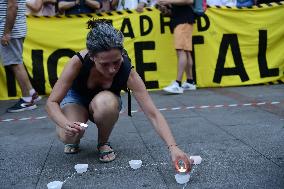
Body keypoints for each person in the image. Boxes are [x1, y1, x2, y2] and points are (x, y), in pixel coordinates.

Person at [45, 18, 192, 172]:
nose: (111, 69)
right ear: (92, 56)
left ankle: (103, 142)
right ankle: (73, 139)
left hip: (104, 102)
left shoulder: (128, 71)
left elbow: (153, 113)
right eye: (104, 64)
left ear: (122, 53)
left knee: (106, 103)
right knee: (68, 135)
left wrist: (173, 147)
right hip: (77, 100)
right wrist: (64, 122)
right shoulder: (77, 62)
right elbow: (51, 102)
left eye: (116, 61)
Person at [0, 0, 41, 113]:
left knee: (15, 64)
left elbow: (13, 6)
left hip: (11, 31)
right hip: (13, 30)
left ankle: (27, 100)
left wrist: (7, 33)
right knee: (17, 62)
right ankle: (32, 93)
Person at [158, 0, 197, 94]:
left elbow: (189, 1)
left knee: (181, 50)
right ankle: (190, 81)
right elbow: (172, 12)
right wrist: (164, 9)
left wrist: (167, 1)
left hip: (183, 21)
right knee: (186, 51)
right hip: (181, 21)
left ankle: (178, 84)